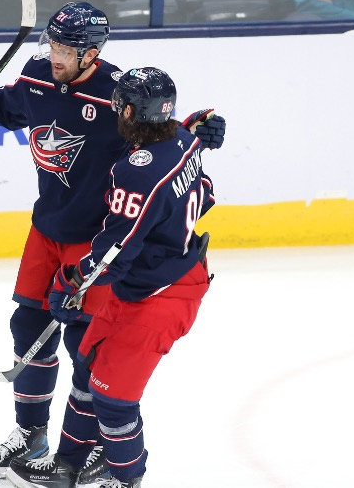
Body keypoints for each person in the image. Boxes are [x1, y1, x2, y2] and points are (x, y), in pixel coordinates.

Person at [0, 1, 225, 484]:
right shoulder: (37, 73)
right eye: (52, 43)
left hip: (95, 242)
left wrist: (195, 129)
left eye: (66, 48)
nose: (54, 54)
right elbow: (8, 108)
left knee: (84, 346)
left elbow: (155, 144)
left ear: (92, 52)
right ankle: (30, 435)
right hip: (47, 228)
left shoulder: (115, 93)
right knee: (27, 328)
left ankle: (88, 449)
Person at [11, 66, 215, 488]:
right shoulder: (185, 140)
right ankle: (66, 466)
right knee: (86, 367)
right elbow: (206, 193)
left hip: (164, 294)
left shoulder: (136, 170)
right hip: (151, 280)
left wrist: (69, 283)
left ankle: (124, 480)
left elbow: (111, 257)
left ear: (126, 110)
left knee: (113, 398)